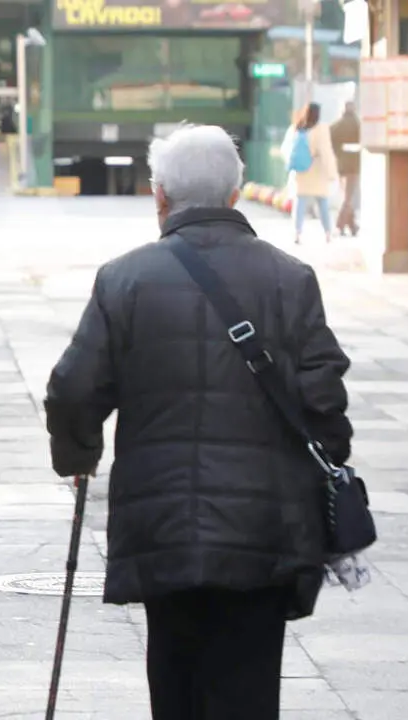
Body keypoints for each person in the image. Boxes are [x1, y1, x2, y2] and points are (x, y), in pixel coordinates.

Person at [45, 124, 352, 720]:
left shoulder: (124, 280)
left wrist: (78, 455)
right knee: (250, 686)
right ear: (236, 194)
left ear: (159, 195)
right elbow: (325, 402)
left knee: (176, 677)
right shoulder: (291, 279)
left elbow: (73, 390)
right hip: (264, 527)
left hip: (166, 524)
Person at [281, 103, 339, 244]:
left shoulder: (296, 127)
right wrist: (332, 173)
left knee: (299, 203)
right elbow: (326, 153)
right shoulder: (321, 129)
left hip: (301, 172)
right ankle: (327, 233)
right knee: (322, 203)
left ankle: (297, 233)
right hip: (317, 171)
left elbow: (286, 149)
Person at [329, 102, 360, 237]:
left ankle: (352, 226)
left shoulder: (337, 125)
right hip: (354, 164)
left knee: (346, 194)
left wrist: (337, 153)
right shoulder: (357, 124)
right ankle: (340, 223)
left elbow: (330, 138)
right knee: (348, 197)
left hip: (341, 164)